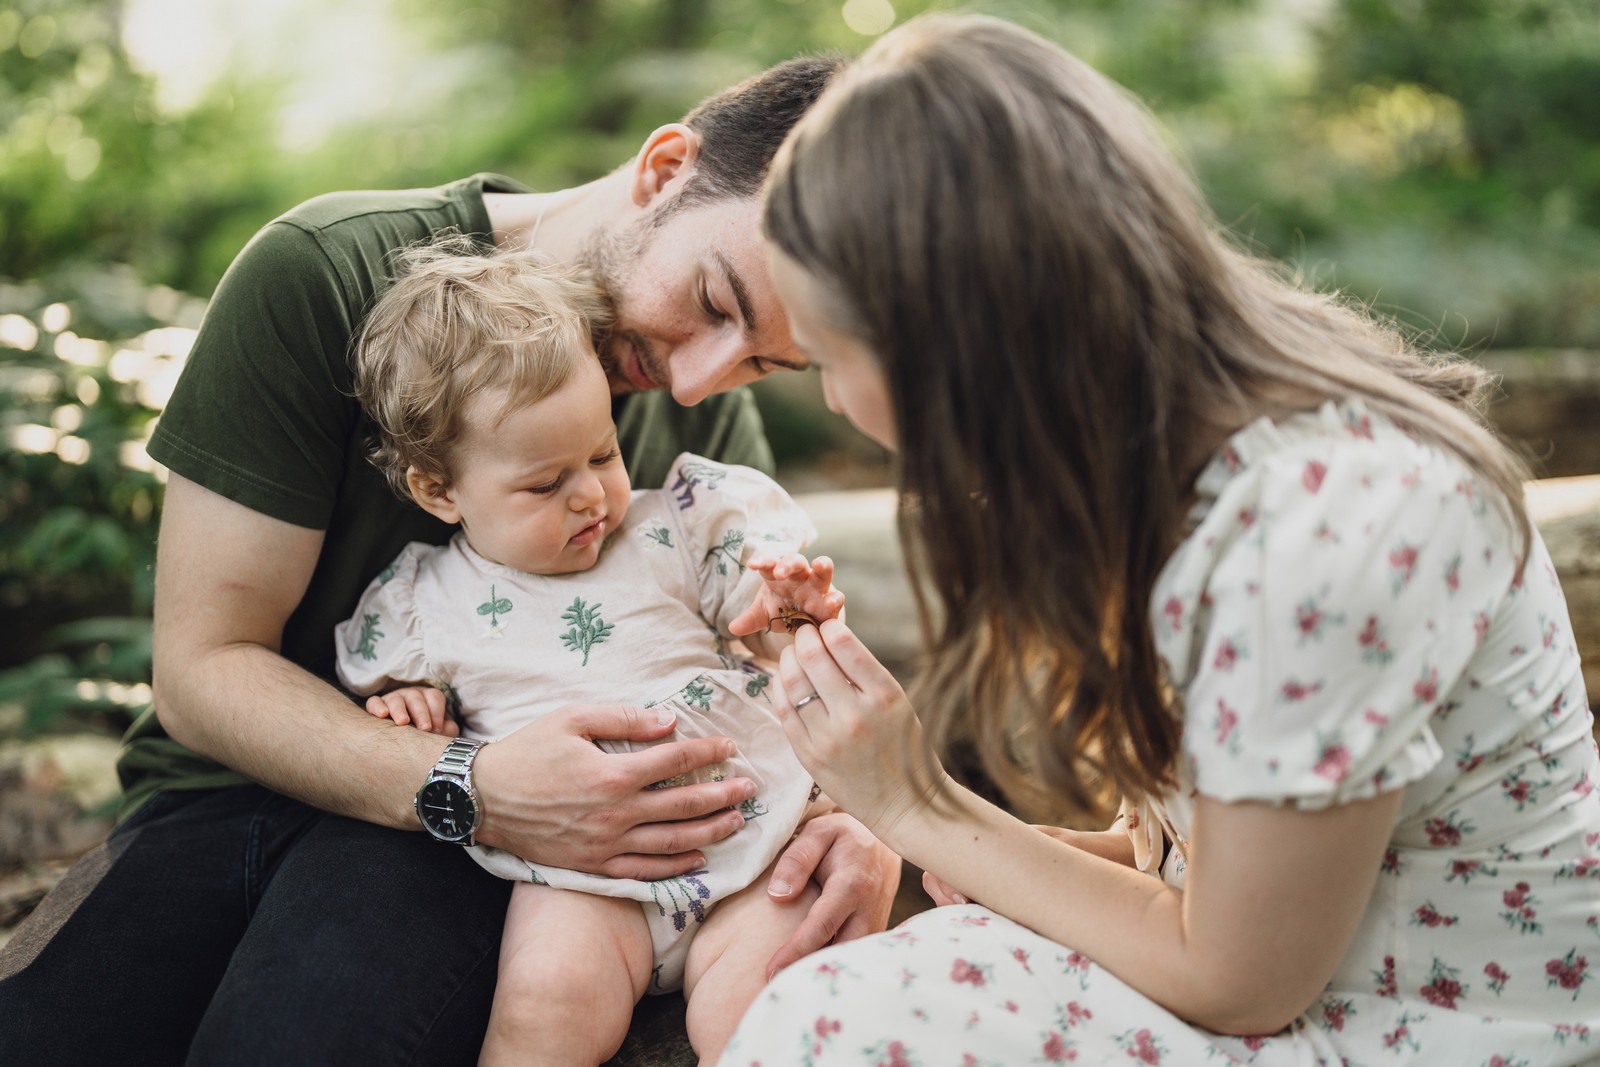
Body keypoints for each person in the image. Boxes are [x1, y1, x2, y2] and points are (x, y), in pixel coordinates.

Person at [726, 13, 1600, 1066]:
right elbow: (1253, 852)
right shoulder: (1194, 447)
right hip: (1334, 979)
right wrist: (1027, 860)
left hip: (1436, 1029)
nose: (831, 395)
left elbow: (1243, 978)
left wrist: (920, 802)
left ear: (952, 344)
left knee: (836, 1028)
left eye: (825, 354)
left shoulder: (1322, 535)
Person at [0, 56, 902, 1066]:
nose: (698, 381)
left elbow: (753, 660)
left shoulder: (703, 437)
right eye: (712, 298)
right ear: (663, 169)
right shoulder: (324, 275)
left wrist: (854, 819)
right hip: (229, 794)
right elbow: (201, 668)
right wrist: (471, 779)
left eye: (765, 361)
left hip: (465, 863)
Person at [334, 242, 844, 1065]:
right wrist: (405, 703)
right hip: (583, 873)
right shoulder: (423, 602)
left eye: (602, 453)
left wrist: (783, 605)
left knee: (761, 1010)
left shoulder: (670, 523)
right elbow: (383, 694)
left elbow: (756, 615)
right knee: (544, 1010)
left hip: (753, 838)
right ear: (440, 490)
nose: (589, 494)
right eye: (543, 483)